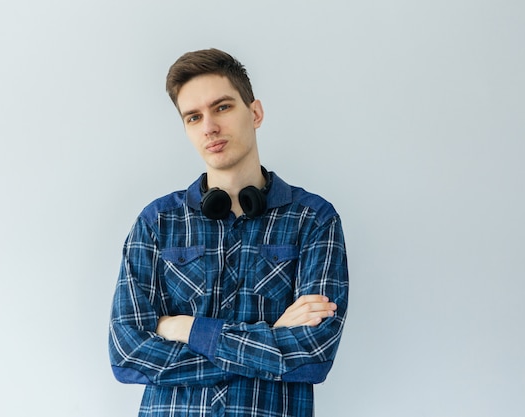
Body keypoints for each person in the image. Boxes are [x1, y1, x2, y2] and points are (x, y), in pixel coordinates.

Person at [109, 48, 349, 417]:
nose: (209, 127)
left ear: (255, 113)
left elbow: (312, 357)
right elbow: (127, 356)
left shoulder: (313, 220)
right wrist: (269, 341)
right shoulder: (157, 222)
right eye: (193, 117)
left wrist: (186, 328)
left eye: (222, 107)